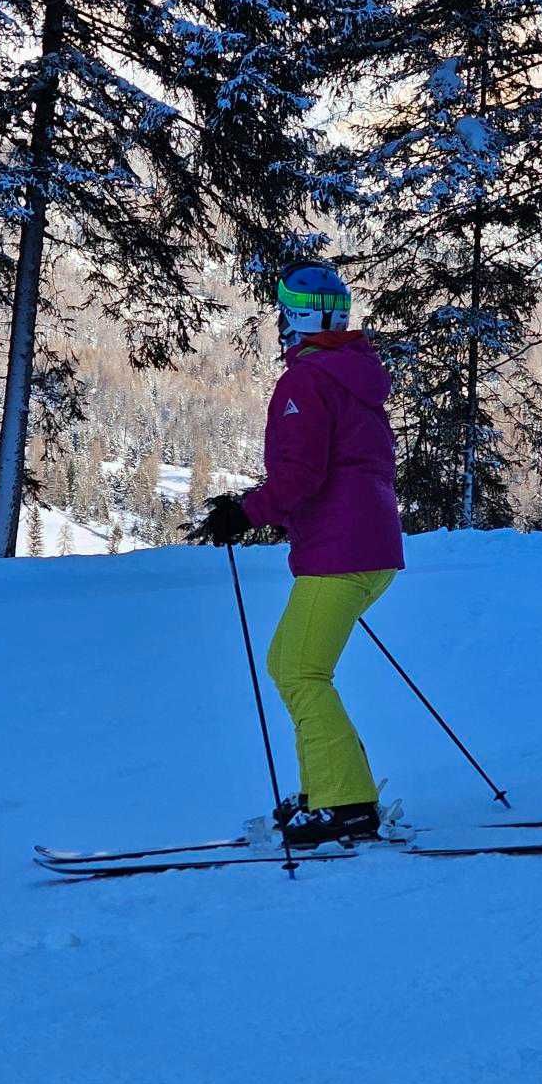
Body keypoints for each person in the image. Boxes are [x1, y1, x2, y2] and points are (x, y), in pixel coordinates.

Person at [190, 263, 404, 846]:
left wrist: (245, 513)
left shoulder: (307, 382)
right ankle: (325, 794)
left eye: (284, 311)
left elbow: (302, 474)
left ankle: (347, 803)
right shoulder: (353, 374)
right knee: (295, 664)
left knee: (300, 670)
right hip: (364, 546)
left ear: (296, 319)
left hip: (342, 550)